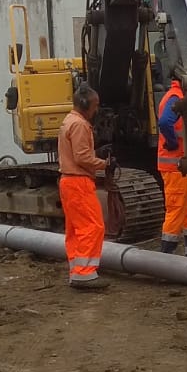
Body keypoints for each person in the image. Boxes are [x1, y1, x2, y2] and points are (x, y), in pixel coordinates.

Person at [57, 83, 109, 289]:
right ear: (86, 104)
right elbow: (82, 157)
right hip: (79, 181)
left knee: (75, 229)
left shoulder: (69, 121)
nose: (96, 111)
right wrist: (104, 163)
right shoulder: (79, 125)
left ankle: (77, 269)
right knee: (93, 227)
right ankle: (85, 272)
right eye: (95, 106)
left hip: (68, 182)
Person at [156, 72, 187, 257]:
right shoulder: (175, 97)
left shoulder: (182, 97)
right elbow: (165, 122)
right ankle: (166, 255)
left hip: (186, 165)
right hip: (175, 166)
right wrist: (173, 143)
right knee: (177, 208)